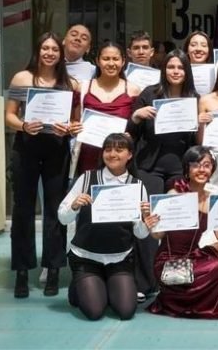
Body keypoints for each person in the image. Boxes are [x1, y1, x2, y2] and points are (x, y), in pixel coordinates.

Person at [4, 32, 80, 298]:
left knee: (55, 209)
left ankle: (54, 268)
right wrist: (23, 125)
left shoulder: (70, 83)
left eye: (54, 49)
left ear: (61, 54)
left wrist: (68, 128)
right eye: (45, 48)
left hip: (56, 149)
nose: (49, 53)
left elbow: (75, 121)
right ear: (37, 51)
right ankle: (22, 271)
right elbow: (9, 116)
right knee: (22, 209)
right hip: (26, 147)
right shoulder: (21, 78)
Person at [128, 49, 200, 299]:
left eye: (180, 67)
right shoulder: (149, 94)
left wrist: (202, 121)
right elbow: (130, 131)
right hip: (150, 166)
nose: (175, 71)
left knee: (177, 222)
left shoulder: (194, 98)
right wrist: (137, 116)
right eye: (171, 67)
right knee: (150, 221)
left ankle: (174, 278)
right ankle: (145, 282)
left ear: (186, 71)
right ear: (164, 70)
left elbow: (198, 140)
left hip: (180, 168)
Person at [58, 133, 153, 320]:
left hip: (120, 259)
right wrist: (74, 205)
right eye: (108, 149)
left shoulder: (137, 186)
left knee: (126, 311)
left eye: (119, 150)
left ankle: (104, 286)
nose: (112, 154)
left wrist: (146, 222)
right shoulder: (86, 178)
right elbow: (62, 218)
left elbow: (140, 234)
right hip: (86, 257)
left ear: (130, 155)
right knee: (94, 312)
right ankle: (79, 286)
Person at [148, 146, 218, 319]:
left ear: (212, 169)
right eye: (196, 165)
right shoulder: (175, 192)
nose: (202, 170)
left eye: (207, 165)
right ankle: (190, 300)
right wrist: (151, 225)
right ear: (187, 168)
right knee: (217, 266)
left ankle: (197, 300)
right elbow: (158, 235)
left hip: (192, 257)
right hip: (168, 261)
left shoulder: (211, 198)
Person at [74, 42, 141, 176]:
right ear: (97, 61)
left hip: (119, 157)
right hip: (89, 154)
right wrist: (74, 127)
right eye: (106, 59)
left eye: (115, 59)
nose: (111, 63)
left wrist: (131, 136)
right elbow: (74, 120)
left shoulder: (133, 90)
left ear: (123, 61)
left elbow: (137, 127)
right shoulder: (83, 88)